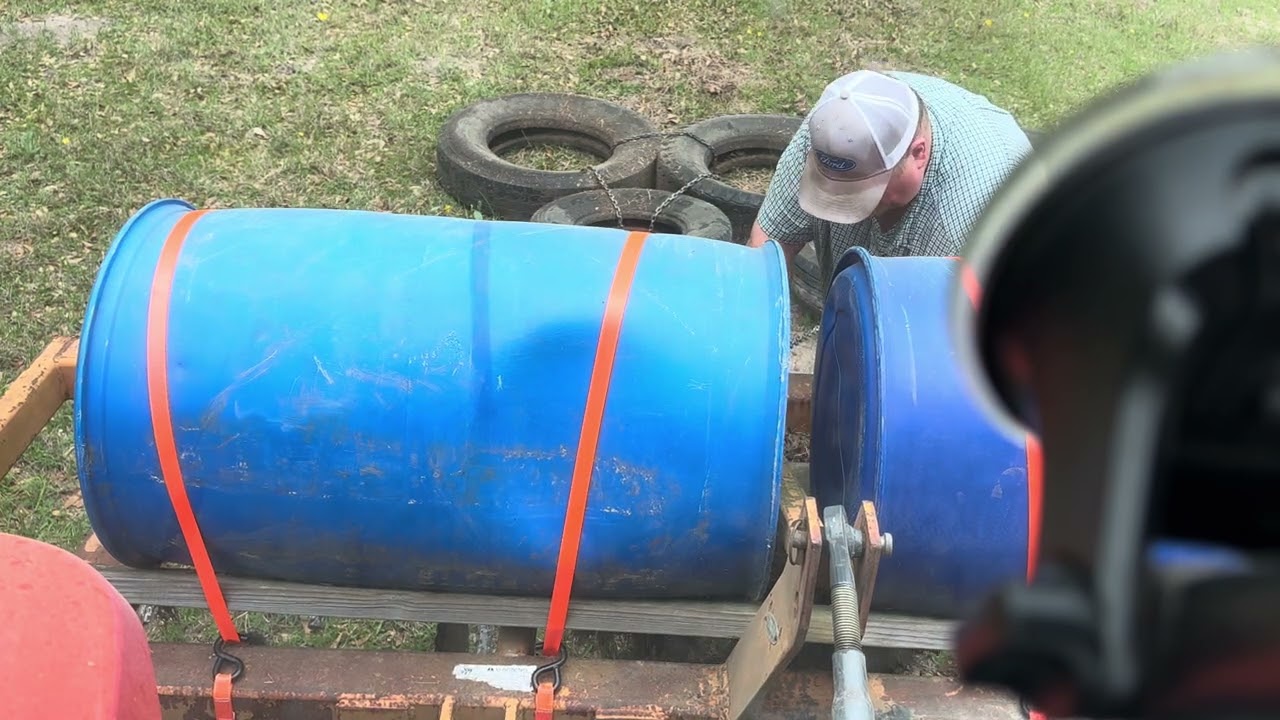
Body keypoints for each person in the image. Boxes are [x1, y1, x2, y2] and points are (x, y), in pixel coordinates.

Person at [748, 68, 1032, 285]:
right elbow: (769, 247)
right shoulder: (835, 126)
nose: (847, 206)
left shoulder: (971, 218)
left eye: (865, 191)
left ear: (918, 154)